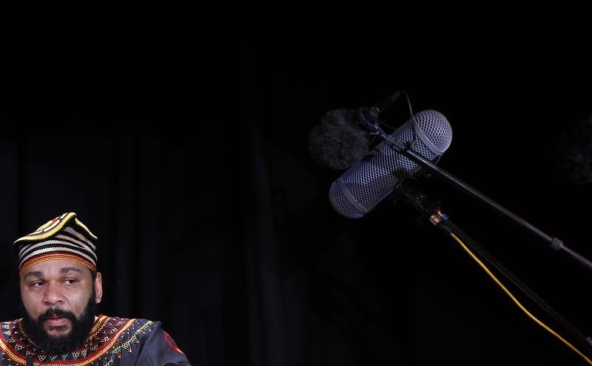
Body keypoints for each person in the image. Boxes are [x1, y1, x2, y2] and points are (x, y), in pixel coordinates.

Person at [0, 212, 192, 365]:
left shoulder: (141, 342)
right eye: (37, 283)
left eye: (69, 281)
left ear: (97, 287)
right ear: (20, 292)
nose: (52, 297)